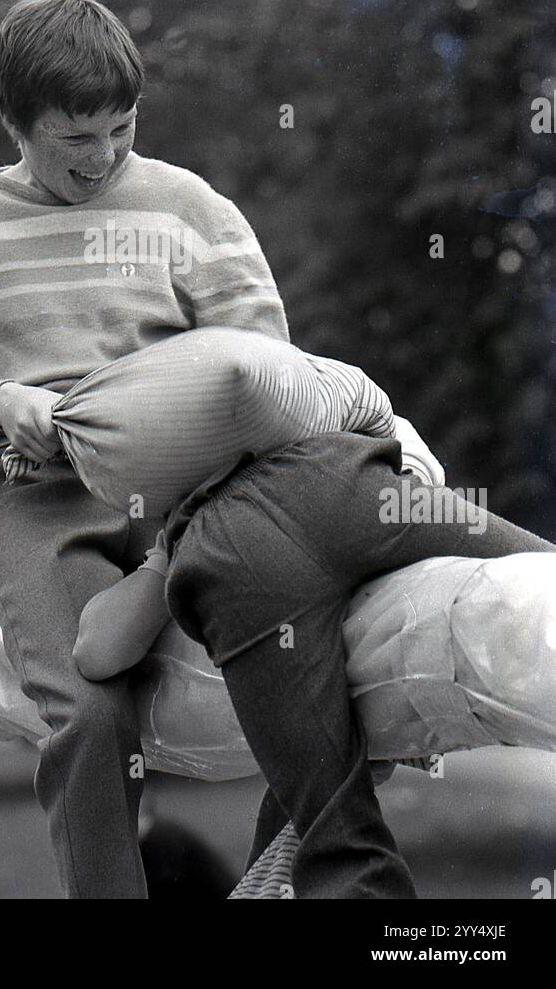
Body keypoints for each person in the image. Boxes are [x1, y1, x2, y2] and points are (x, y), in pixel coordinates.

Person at [0, 0, 292, 899]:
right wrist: (0, 403)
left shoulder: (190, 207)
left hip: (190, 487)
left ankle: (289, 879)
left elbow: (264, 366)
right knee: (85, 711)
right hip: (33, 496)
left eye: (122, 127)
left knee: (306, 646)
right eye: (77, 137)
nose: (103, 155)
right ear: (12, 122)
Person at [72, 371, 556, 899]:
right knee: (540, 576)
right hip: (360, 480)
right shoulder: (311, 404)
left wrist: (161, 560)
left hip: (243, 542)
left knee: (332, 824)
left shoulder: (195, 509)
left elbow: (98, 653)